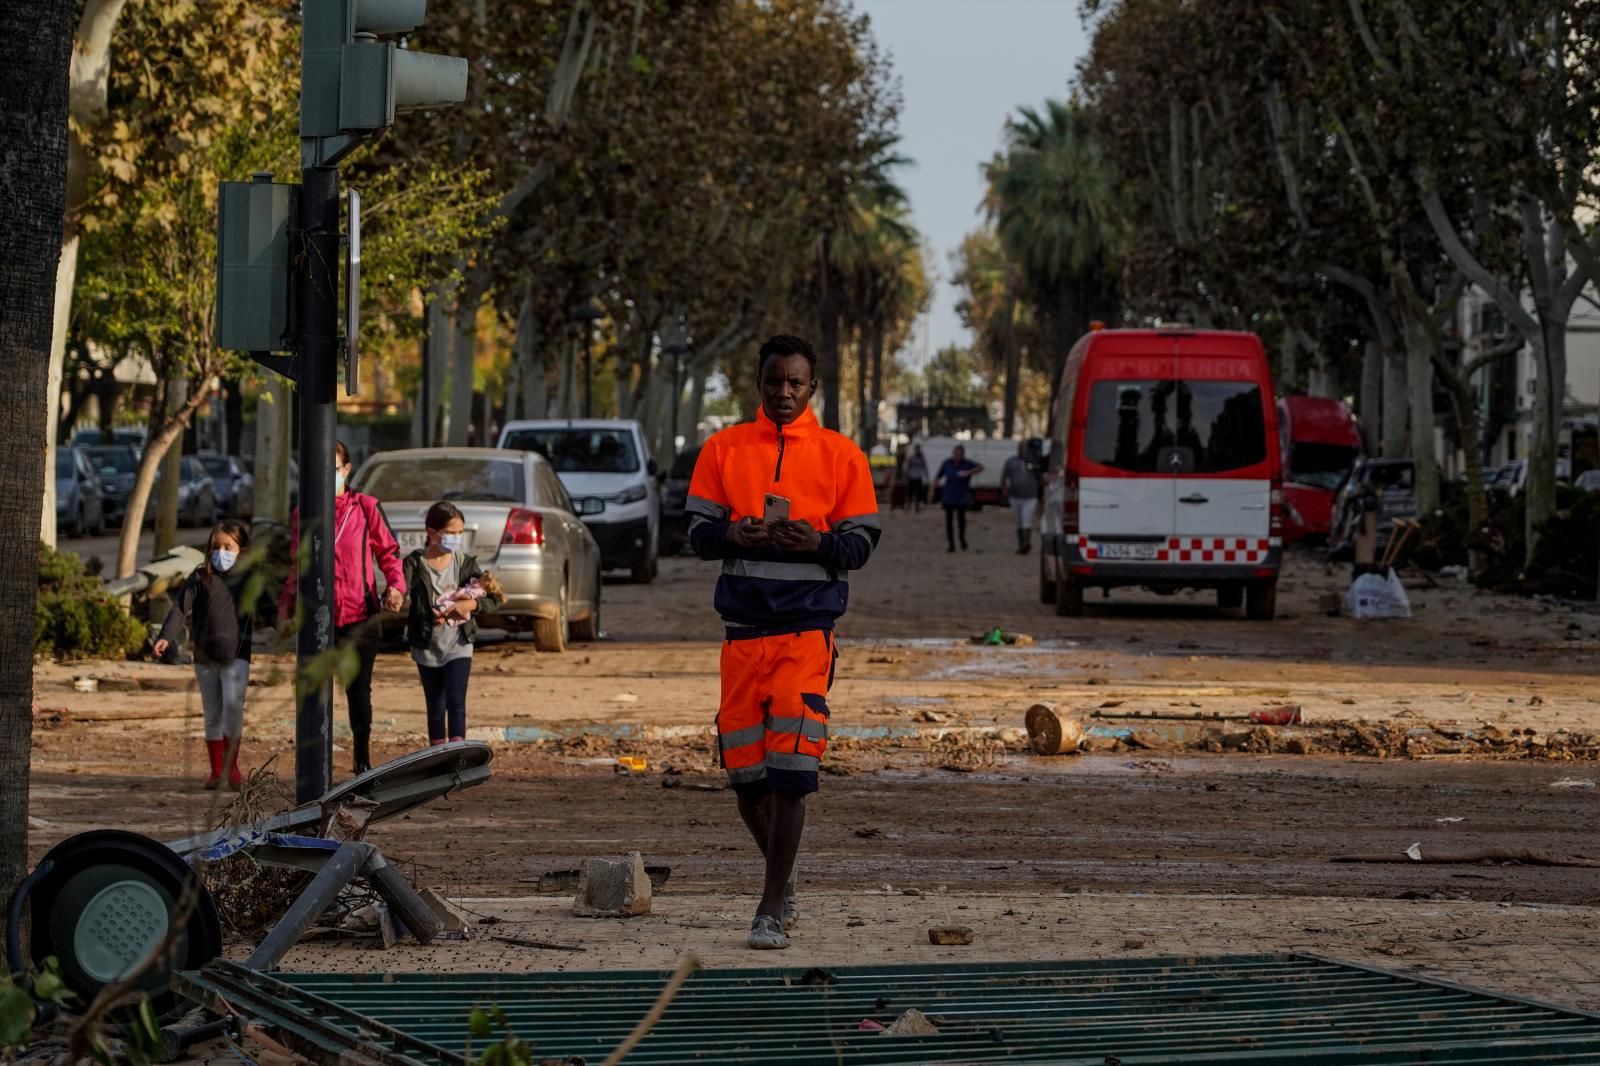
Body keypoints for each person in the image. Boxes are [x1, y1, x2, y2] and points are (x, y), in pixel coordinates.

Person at [686, 334, 880, 950]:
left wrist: (817, 544)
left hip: (806, 634)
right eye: (774, 381)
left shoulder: (841, 455)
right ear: (759, 383)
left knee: (792, 770)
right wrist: (737, 533)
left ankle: (770, 906)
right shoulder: (723, 448)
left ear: (812, 387)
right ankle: (785, 878)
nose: (784, 392)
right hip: (742, 636)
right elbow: (696, 533)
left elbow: (861, 543)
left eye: (796, 382)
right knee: (746, 776)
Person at [278, 440, 406, 775]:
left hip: (360, 618)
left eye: (333, 470)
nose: (326, 476)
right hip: (318, 619)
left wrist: (396, 586)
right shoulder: (303, 513)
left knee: (358, 693)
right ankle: (315, 765)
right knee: (315, 692)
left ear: (346, 470)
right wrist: (286, 608)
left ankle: (361, 761)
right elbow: (296, 566)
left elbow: (388, 553)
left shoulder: (365, 507)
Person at [154, 519, 255, 791]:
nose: (221, 552)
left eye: (228, 547)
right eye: (216, 546)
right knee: (212, 713)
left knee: (233, 708)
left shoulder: (248, 578)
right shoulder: (200, 577)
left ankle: (231, 767)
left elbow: (268, 605)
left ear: (241, 550)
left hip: (237, 655)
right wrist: (165, 636)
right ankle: (215, 771)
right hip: (205, 657)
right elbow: (179, 608)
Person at [402, 502, 502, 746]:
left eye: (460, 533)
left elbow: (493, 598)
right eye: (451, 533)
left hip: (459, 642)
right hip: (426, 644)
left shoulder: (465, 564)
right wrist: (394, 596)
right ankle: (438, 757)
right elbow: (400, 590)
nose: (456, 538)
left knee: (456, 701)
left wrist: (471, 606)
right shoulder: (415, 563)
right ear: (432, 533)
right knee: (435, 705)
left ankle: (457, 755)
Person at [935, 445, 983, 552]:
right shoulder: (947, 463)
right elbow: (938, 476)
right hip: (949, 496)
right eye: (956, 454)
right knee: (949, 522)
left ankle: (962, 539)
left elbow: (980, 467)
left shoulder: (967, 463)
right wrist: (932, 490)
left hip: (961, 496)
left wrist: (968, 473)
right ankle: (951, 544)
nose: (957, 456)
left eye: (960, 454)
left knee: (961, 521)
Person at [1000, 442, 1041, 554]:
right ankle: (1021, 543)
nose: (1022, 451)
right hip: (1015, 496)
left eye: (1024, 448)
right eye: (1020, 448)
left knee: (1026, 519)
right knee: (1019, 521)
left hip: (1030, 496)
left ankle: (1026, 544)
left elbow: (1040, 477)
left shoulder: (1035, 462)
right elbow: (1004, 476)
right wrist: (1004, 488)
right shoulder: (1011, 461)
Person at [903, 445, 929, 513]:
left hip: (918, 478)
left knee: (918, 493)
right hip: (911, 477)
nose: (917, 451)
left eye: (918, 449)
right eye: (916, 449)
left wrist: (926, 476)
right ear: (915, 450)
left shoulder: (921, 458)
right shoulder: (911, 458)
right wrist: (906, 476)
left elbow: (924, 467)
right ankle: (908, 506)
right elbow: (907, 467)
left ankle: (917, 507)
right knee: (909, 493)